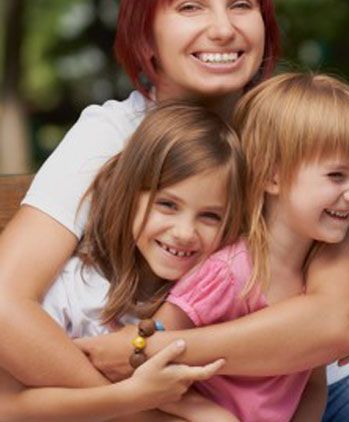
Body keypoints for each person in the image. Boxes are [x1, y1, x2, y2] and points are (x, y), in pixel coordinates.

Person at [0, 0, 349, 420]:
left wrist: (154, 348)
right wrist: (158, 409)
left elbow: (334, 325)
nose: (223, 28)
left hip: (300, 389)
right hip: (156, 399)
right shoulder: (109, 135)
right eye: (190, 7)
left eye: (241, 5)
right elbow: (5, 303)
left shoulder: (301, 134)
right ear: (146, 32)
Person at [152, 72, 349, 422]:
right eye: (337, 176)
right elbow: (147, 360)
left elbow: (312, 382)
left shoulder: (314, 278)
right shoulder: (230, 272)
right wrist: (206, 414)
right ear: (272, 176)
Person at [0, 103, 244, 420]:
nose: (185, 232)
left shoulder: (213, 300)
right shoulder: (75, 290)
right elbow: (8, 408)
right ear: (128, 196)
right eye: (168, 205)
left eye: (210, 216)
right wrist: (133, 398)